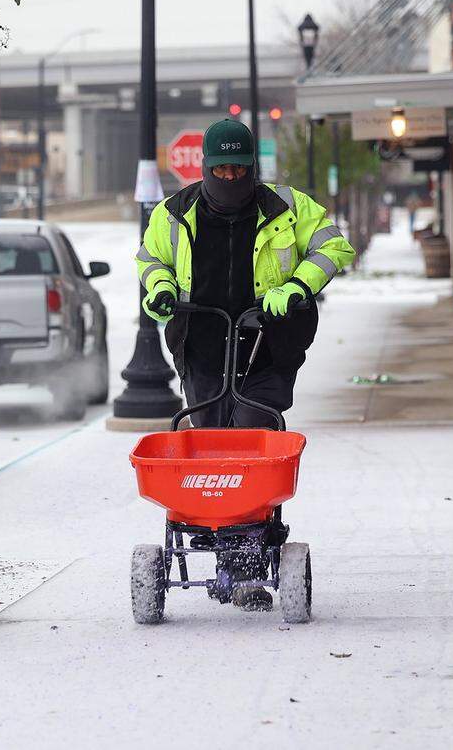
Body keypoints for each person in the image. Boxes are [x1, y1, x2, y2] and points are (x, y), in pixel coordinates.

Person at [135, 118, 354, 610]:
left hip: (269, 342)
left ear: (253, 168)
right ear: (207, 168)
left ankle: (247, 566)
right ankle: (223, 548)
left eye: (239, 170)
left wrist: (296, 287)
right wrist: (161, 290)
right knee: (210, 443)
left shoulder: (288, 207)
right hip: (202, 342)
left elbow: (333, 245)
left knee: (254, 438)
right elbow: (150, 260)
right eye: (222, 169)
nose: (231, 179)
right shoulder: (174, 213)